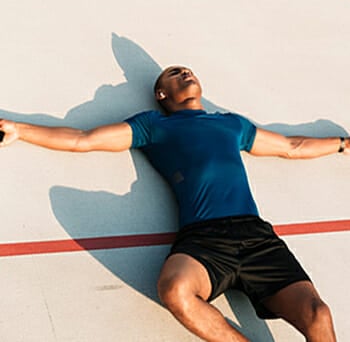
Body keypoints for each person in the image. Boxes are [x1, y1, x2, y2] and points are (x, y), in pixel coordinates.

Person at [0, 65, 344, 342]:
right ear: (162, 94)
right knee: (176, 290)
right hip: (204, 240)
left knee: (318, 315)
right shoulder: (154, 125)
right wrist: (20, 129)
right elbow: (83, 139)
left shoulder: (230, 123)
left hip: (257, 238)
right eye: (175, 74)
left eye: (188, 71)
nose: (185, 73)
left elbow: (291, 146)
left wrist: (343, 144)